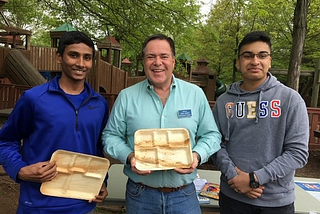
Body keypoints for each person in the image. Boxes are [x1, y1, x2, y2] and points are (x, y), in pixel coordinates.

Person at [102, 34, 221, 214]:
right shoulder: (127, 96)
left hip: (184, 196)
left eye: (164, 56)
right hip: (140, 196)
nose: (157, 62)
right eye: (151, 57)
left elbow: (212, 135)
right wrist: (130, 157)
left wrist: (196, 156)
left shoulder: (195, 94)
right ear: (144, 62)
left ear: (173, 61)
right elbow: (110, 136)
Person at [0, 31, 109, 214]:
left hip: (83, 204)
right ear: (59, 57)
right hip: (38, 204)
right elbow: (5, 141)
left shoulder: (99, 104)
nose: (81, 63)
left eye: (87, 57)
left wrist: (101, 181)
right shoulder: (34, 99)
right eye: (73, 55)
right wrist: (20, 170)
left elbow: (97, 148)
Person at [212, 31, 309, 214]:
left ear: (269, 61)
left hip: (276, 202)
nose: (255, 61)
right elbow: (215, 144)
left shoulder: (290, 100)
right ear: (238, 62)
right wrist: (235, 177)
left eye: (262, 55)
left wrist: (254, 179)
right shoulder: (224, 102)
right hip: (232, 199)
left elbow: (298, 153)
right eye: (248, 56)